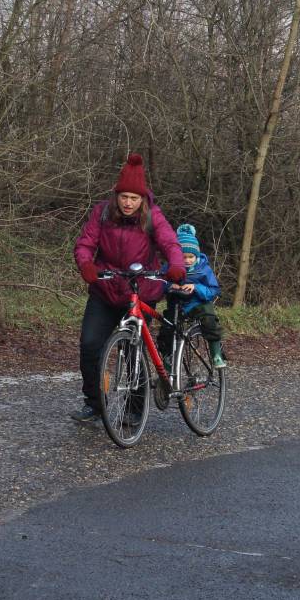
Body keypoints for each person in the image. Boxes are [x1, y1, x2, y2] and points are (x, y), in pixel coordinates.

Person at [71, 153, 186, 423]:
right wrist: (86, 264)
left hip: (140, 289)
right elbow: (85, 243)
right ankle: (94, 404)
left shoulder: (153, 216)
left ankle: (134, 409)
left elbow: (170, 242)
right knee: (90, 344)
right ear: (117, 195)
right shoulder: (102, 212)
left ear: (142, 198)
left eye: (134, 198)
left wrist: (176, 265)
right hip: (105, 288)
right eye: (124, 197)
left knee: (133, 349)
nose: (128, 203)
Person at [158, 223, 227, 369]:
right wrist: (170, 286)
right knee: (166, 330)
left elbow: (214, 289)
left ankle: (216, 353)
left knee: (209, 318)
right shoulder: (170, 267)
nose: (188, 260)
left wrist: (196, 287)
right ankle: (167, 358)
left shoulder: (203, 269)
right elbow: (159, 282)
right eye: (184, 257)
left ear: (197, 255)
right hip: (176, 305)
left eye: (191, 257)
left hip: (198, 303)